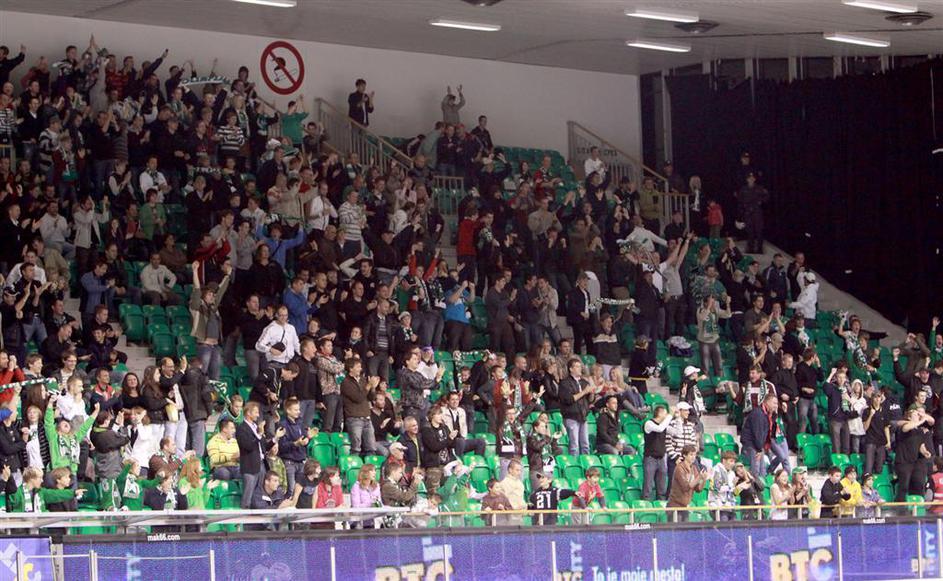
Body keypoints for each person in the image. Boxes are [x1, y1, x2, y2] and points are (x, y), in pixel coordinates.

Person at [236, 401, 284, 508]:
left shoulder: (256, 427)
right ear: (248, 413)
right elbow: (248, 446)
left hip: (261, 464)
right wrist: (259, 434)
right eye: (256, 412)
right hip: (249, 466)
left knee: (260, 494)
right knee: (248, 495)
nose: (258, 415)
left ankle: (258, 516)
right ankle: (244, 516)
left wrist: (276, 438)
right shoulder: (241, 428)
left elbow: (264, 447)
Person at [559, 358, 595, 456]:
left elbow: (590, 400)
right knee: (574, 446)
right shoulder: (565, 383)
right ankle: (574, 464)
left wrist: (592, 392)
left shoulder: (584, 382)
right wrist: (584, 392)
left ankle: (585, 463)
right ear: (571, 369)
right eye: (577, 366)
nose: (580, 368)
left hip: (583, 416)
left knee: (585, 445)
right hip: (571, 416)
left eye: (580, 366)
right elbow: (569, 399)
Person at [667, 445, 708, 522]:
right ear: (684, 455)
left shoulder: (694, 468)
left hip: (685, 506)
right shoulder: (679, 468)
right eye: (691, 455)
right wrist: (699, 477)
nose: (693, 457)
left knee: (685, 528)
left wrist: (704, 479)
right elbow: (686, 487)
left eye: (694, 455)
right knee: (676, 529)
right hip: (674, 506)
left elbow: (698, 489)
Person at [643, 405, 671, 501]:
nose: (666, 415)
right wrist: (670, 416)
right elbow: (660, 428)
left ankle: (661, 504)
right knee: (648, 485)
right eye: (665, 413)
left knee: (662, 487)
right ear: (659, 413)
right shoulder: (649, 423)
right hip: (650, 458)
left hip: (661, 458)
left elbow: (675, 431)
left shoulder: (664, 425)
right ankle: (645, 504)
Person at [709, 451, 738, 521]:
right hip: (718, 507)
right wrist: (731, 486)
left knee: (735, 526)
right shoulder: (716, 470)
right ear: (724, 461)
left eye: (734, 462)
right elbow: (716, 488)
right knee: (724, 526)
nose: (733, 464)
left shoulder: (732, 473)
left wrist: (739, 488)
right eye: (731, 461)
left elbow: (733, 491)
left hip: (730, 507)